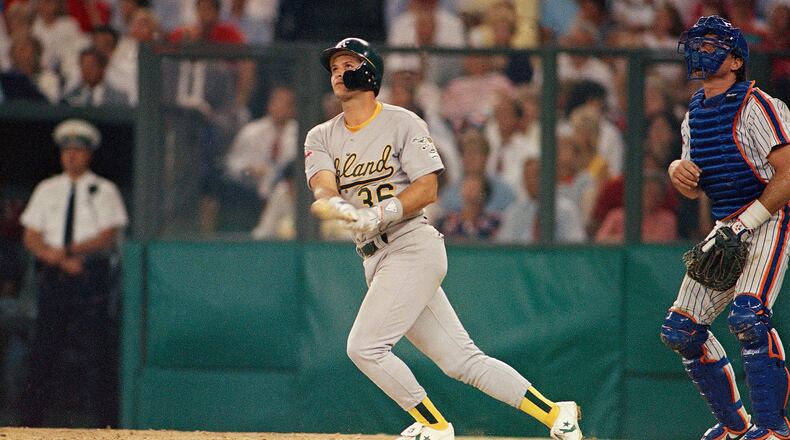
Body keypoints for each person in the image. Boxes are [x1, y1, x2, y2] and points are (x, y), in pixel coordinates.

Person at [305, 37, 582, 440]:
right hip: (374, 256)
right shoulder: (320, 135)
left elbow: (427, 188)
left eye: (346, 64)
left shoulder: (403, 122)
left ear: (369, 72)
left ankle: (435, 425)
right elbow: (323, 187)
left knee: (364, 347)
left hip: (411, 244)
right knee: (462, 361)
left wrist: (379, 213)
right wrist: (335, 204)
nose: (337, 73)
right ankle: (557, 414)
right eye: (333, 67)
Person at [660, 16, 790, 440]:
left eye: (713, 43)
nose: (701, 49)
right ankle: (735, 428)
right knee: (681, 330)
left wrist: (745, 224)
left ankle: (772, 429)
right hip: (727, 223)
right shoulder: (694, 113)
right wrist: (677, 170)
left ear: (736, 61)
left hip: (769, 218)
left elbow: (788, 176)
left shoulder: (758, 104)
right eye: (698, 42)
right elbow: (694, 186)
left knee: (749, 316)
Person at [18, 119, 128, 427]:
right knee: (42, 353)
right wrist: (56, 257)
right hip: (53, 278)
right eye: (67, 151)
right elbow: (31, 236)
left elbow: (108, 235)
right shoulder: (47, 189)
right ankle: (29, 425)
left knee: (98, 355)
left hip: (90, 279)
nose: (71, 156)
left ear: (89, 154)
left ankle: (105, 426)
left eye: (78, 150)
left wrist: (69, 251)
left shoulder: (104, 190)